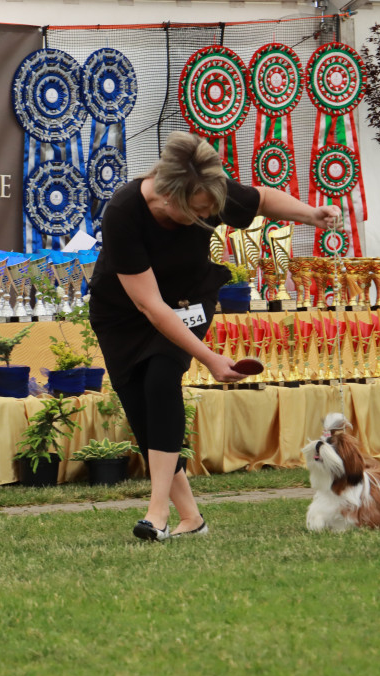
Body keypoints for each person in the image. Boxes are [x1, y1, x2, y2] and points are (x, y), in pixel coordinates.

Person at [89, 131, 341, 541]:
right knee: (141, 408)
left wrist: (310, 214)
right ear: (170, 195)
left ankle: (156, 516)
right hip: (125, 312)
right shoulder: (123, 211)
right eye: (199, 211)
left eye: (212, 210)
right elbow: (150, 307)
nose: (207, 217)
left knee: (161, 378)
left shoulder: (211, 190)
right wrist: (210, 358)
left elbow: (262, 198)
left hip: (189, 298)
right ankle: (192, 519)